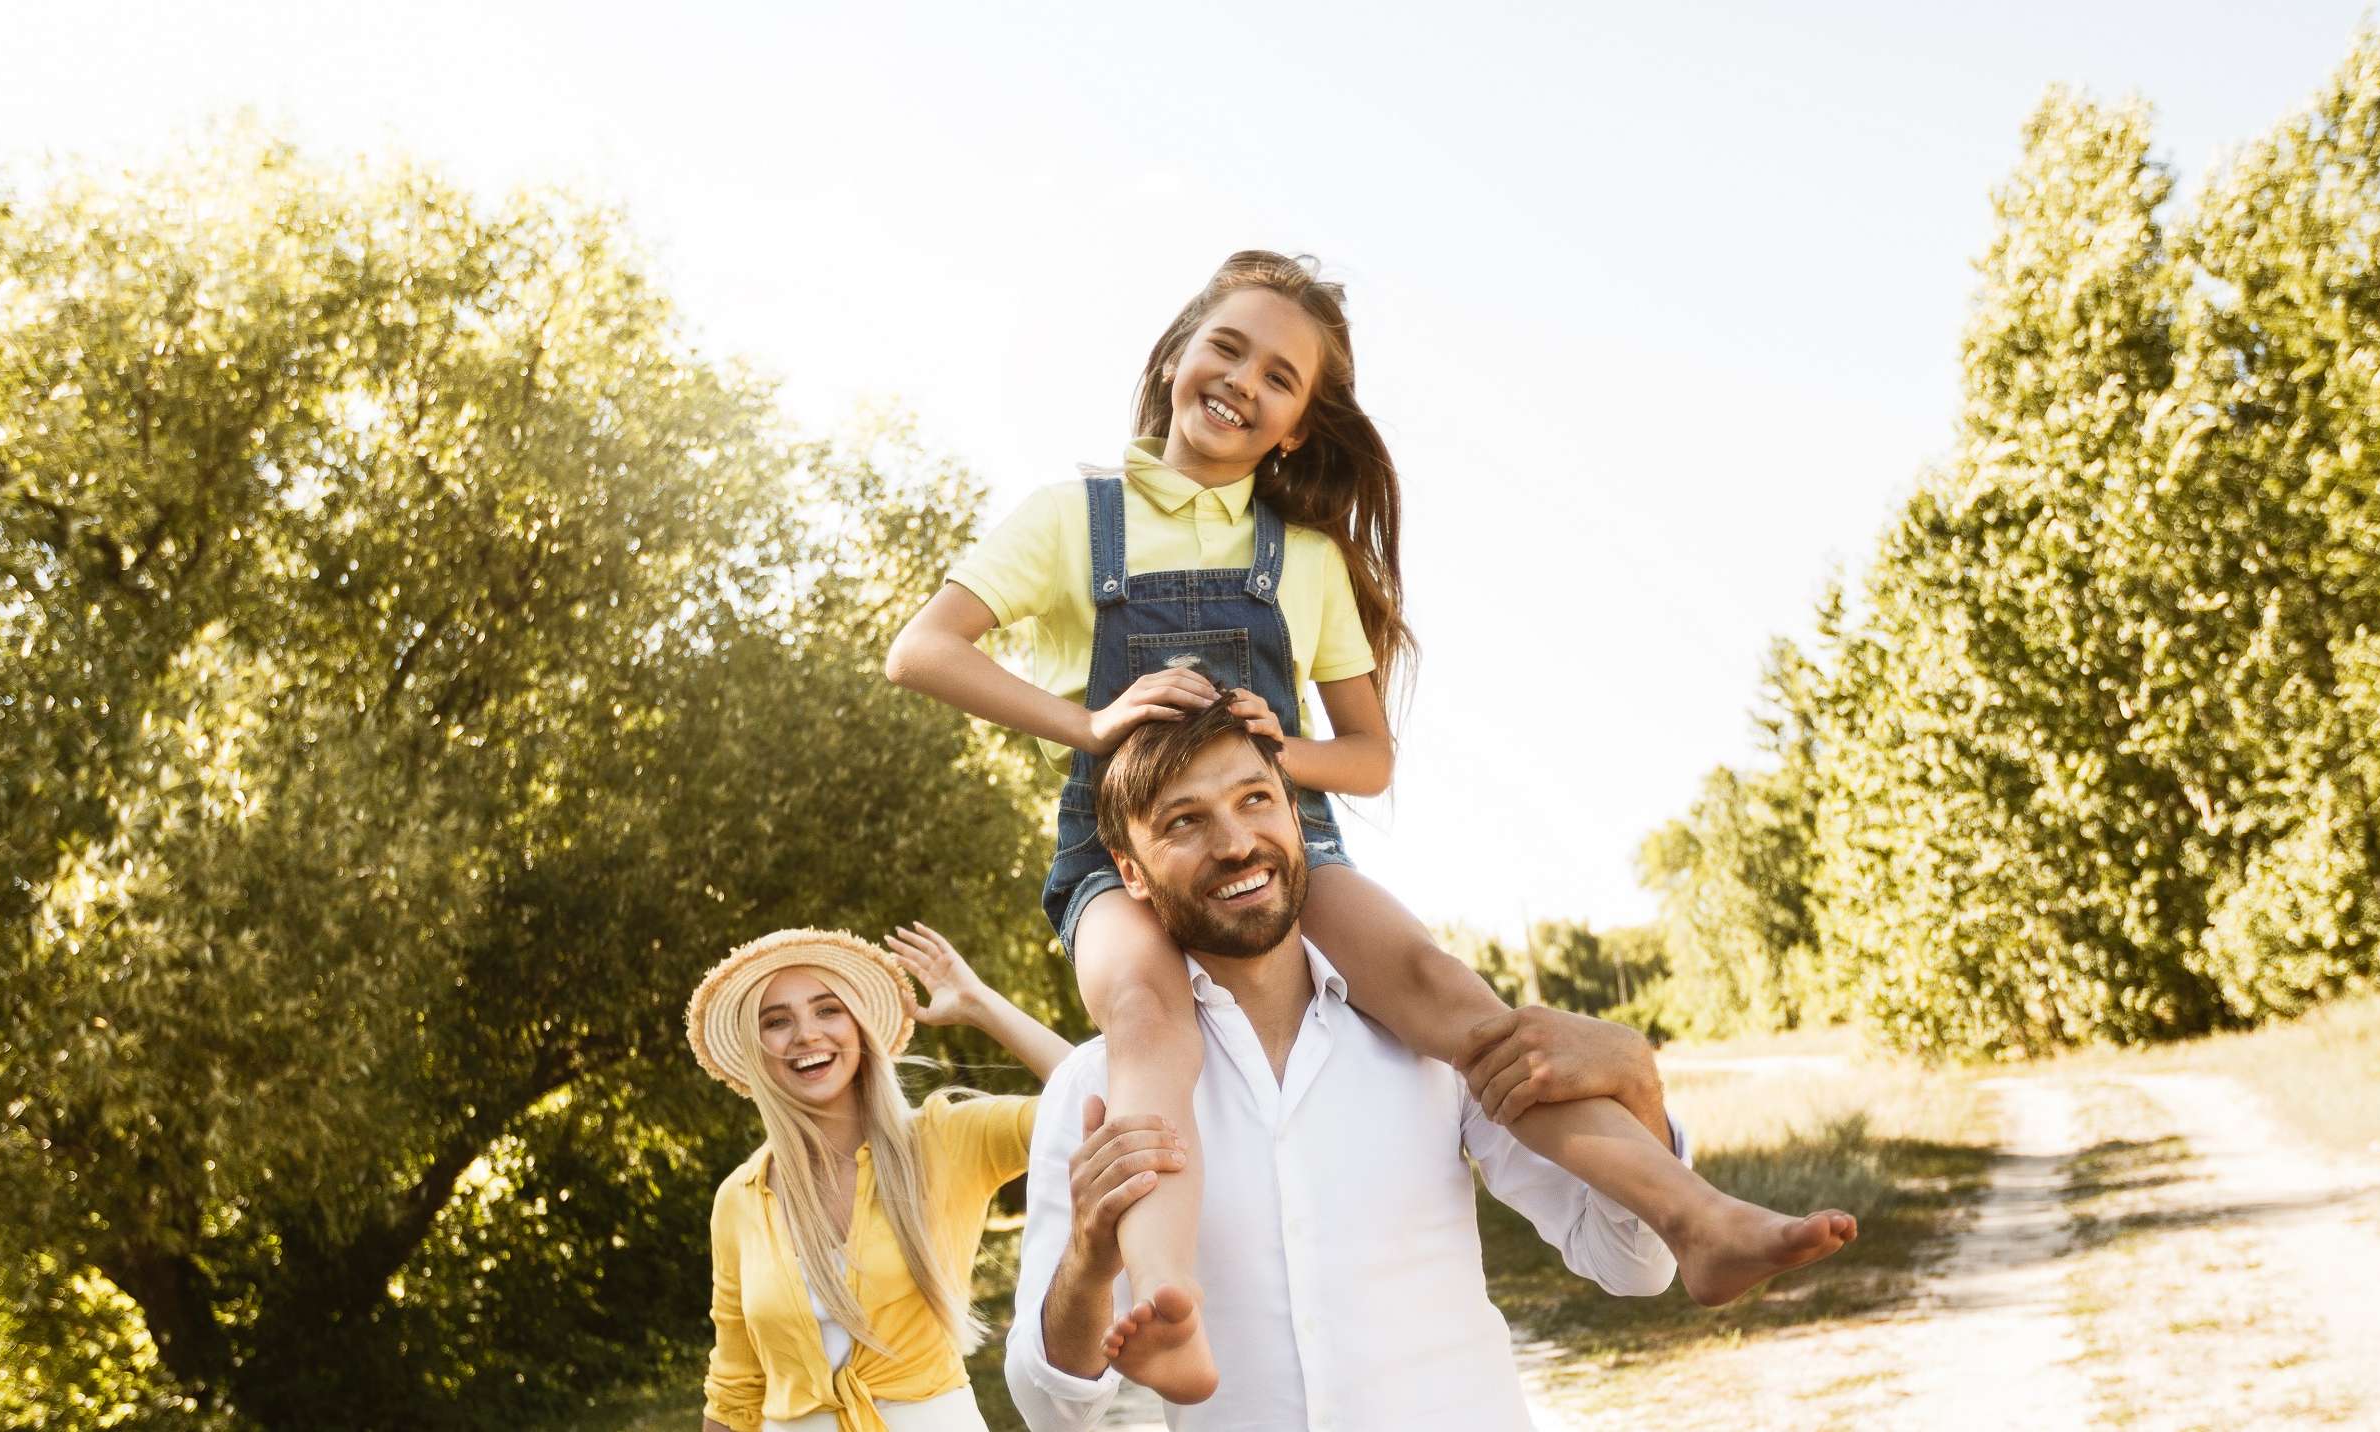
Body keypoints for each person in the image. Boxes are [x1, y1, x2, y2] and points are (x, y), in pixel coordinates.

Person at [887, 250, 1853, 1402]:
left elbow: (1369, 755)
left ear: (1298, 425)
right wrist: (1091, 723)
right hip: (1119, 848)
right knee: (1146, 1016)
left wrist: (1281, 758)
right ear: (1177, 355)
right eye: (1228, 346)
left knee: (1453, 995)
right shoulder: (1070, 519)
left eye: (1281, 376)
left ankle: (1693, 1215)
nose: (1244, 380)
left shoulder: (1301, 561)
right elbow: (921, 650)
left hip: (1292, 825)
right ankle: (1166, 1308)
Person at [1004, 698, 1798, 1430]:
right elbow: (1050, 1410)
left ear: (1292, 811)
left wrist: (1638, 1081)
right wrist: (1088, 1260)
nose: (1237, 842)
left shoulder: (1436, 1048)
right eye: (1185, 822)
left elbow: (1632, 1263)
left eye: (1255, 800)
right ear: (1130, 871)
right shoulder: (1099, 1089)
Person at [691, 923, 1094, 1432]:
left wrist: (979, 1005)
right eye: (776, 1021)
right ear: (757, 1048)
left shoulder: (945, 1139)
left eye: (827, 1009)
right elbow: (735, 1386)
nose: (806, 1034)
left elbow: (1092, 1103)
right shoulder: (741, 1197)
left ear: (858, 1025)